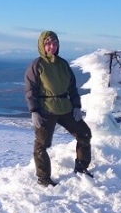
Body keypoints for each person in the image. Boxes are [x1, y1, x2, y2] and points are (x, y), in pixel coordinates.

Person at [24, 31, 92, 186]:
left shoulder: (63, 64)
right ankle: (44, 179)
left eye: (54, 43)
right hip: (46, 109)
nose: (51, 46)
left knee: (84, 133)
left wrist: (76, 106)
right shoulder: (37, 65)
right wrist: (34, 111)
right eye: (48, 43)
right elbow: (30, 90)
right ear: (42, 45)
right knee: (42, 145)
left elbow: (72, 87)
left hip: (65, 107)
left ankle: (81, 167)